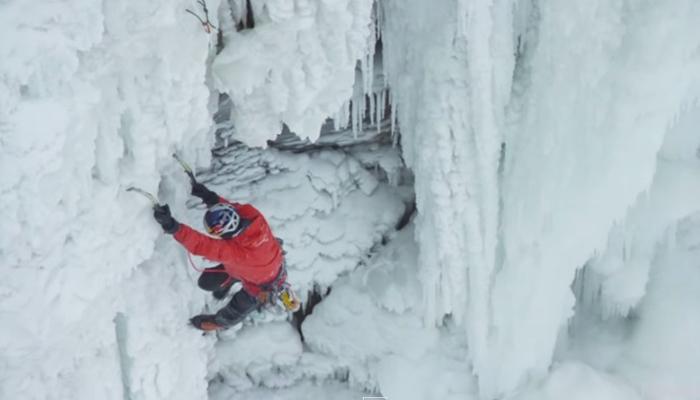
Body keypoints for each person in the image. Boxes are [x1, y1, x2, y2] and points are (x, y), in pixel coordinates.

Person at [152, 181, 295, 331]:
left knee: (233, 312)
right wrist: (207, 195)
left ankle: (216, 324)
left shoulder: (234, 253)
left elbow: (202, 245)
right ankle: (233, 278)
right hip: (269, 263)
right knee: (207, 283)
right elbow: (230, 208)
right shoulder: (252, 215)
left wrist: (172, 226)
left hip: (260, 285)